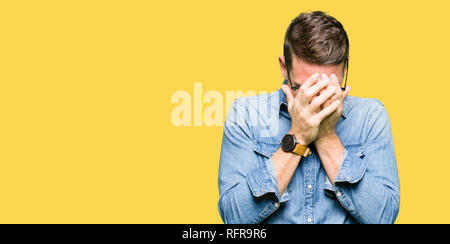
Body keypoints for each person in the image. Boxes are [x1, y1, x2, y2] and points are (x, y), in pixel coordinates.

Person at [217, 11, 400, 224]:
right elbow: (234, 218)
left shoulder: (371, 117)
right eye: (303, 89)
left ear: (346, 68)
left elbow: (384, 217)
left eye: (328, 89)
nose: (316, 100)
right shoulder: (245, 114)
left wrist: (327, 135)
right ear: (284, 68)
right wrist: (298, 136)